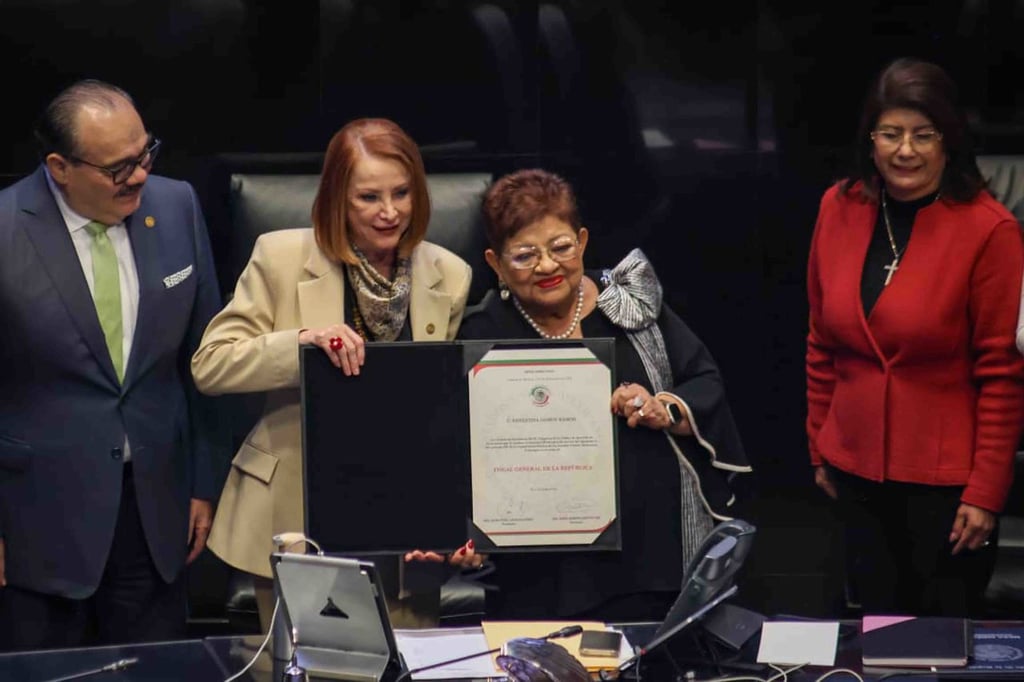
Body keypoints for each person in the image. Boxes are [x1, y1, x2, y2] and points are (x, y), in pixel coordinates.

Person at [191, 118, 477, 628]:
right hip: (297, 510)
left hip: (405, 523)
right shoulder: (280, 258)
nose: (390, 212)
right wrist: (301, 344)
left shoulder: (449, 274)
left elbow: (444, 408)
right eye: (369, 197)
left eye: (402, 193)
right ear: (337, 199)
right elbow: (211, 365)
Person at [458, 168, 750, 621]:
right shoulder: (480, 332)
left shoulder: (632, 303)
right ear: (495, 263)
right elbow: (456, 446)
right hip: (538, 568)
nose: (548, 266)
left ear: (583, 240)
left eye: (561, 247)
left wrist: (661, 407)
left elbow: (705, 382)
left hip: (648, 551)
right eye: (525, 256)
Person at [0, 80, 225, 651]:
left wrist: (203, 482)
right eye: (119, 168)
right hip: (37, 520)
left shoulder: (177, 207)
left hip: (155, 510)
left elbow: (207, 357)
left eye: (145, 153)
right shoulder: (4, 230)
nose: (141, 176)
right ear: (59, 166)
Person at [807, 58, 1024, 617]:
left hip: (946, 490)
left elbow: (1002, 375)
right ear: (870, 139)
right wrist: (819, 442)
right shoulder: (839, 206)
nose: (906, 151)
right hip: (852, 471)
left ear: (948, 140)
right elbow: (820, 341)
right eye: (892, 133)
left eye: (924, 135)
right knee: (873, 642)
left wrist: (985, 492)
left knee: (936, 653)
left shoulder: (989, 229)